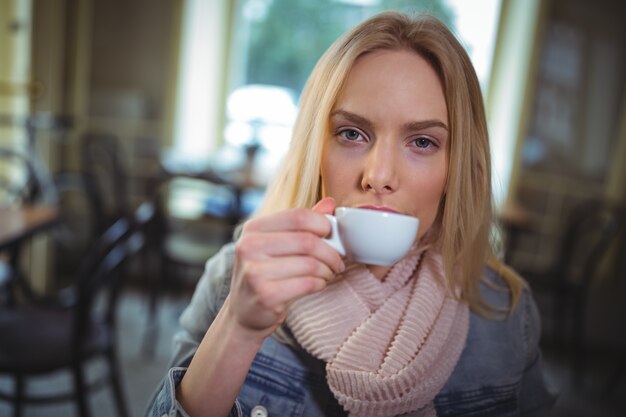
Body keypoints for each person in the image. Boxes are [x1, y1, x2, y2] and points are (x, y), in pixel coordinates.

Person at [147, 11, 556, 417]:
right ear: (317, 151)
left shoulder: (506, 315)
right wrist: (237, 326)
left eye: (423, 142)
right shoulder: (236, 280)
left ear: (456, 167)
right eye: (352, 134)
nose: (378, 176)